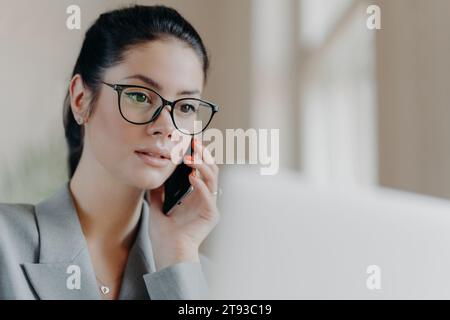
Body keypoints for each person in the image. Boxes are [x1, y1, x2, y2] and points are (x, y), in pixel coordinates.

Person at [0, 4, 220, 300]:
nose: (166, 127)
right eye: (140, 96)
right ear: (81, 99)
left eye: (186, 107)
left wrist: (177, 253)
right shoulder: (5, 243)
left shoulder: (200, 277)